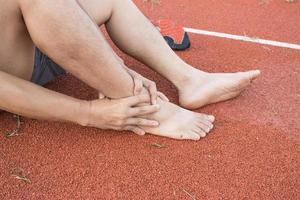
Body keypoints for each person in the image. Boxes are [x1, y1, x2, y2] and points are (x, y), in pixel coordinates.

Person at [0, 0, 260, 140]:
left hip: (30, 41)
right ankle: (148, 108)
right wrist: (88, 112)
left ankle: (189, 80)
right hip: (13, 75)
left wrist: (112, 65)